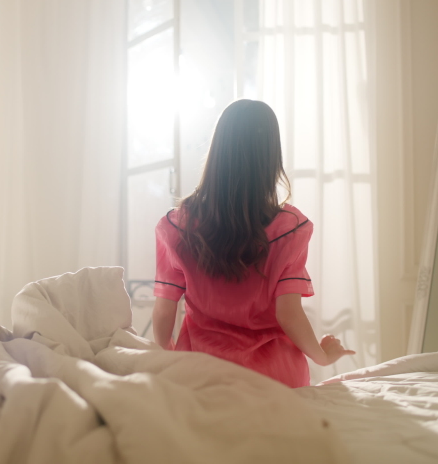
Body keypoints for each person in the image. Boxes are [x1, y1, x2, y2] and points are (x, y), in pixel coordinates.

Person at [151, 99, 354, 388]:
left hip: (200, 372)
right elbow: (289, 314)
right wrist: (322, 356)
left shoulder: (176, 227)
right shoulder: (289, 229)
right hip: (273, 377)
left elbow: (164, 311)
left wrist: (170, 358)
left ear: (216, 151)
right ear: (271, 157)